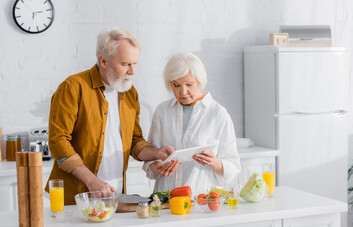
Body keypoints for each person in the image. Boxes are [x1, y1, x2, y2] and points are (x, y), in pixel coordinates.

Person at [45, 29, 173, 205]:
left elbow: (135, 141)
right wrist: (92, 181)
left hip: (115, 196)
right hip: (76, 198)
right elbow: (58, 142)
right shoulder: (73, 87)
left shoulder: (130, 93)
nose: (132, 72)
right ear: (103, 61)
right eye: (126, 64)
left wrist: (156, 152)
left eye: (135, 63)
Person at [142, 52, 241, 194]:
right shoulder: (162, 111)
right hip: (164, 200)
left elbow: (233, 167)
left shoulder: (218, 114)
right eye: (176, 85)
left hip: (200, 202)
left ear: (199, 81)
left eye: (189, 84)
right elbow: (150, 157)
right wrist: (156, 166)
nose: (183, 92)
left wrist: (214, 162)